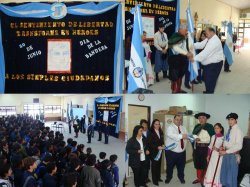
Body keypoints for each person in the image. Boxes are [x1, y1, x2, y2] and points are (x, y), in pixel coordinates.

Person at [192, 27, 224, 93]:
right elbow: (201, 45)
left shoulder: (215, 41)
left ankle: (209, 94)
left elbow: (205, 53)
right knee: (207, 79)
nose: (205, 35)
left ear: (212, 32)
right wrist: (191, 45)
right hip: (209, 64)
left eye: (206, 33)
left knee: (210, 80)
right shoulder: (209, 38)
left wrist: (193, 58)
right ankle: (208, 91)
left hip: (214, 65)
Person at [219, 113, 243, 187]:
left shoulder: (238, 130)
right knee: (225, 173)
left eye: (232, 119)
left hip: (232, 155)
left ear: (236, 120)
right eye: (229, 120)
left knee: (231, 175)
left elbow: (239, 146)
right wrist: (223, 147)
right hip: (226, 154)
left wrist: (225, 151)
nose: (230, 121)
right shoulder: (229, 129)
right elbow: (227, 141)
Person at [168, 27, 193, 93]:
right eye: (185, 30)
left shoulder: (185, 36)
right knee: (174, 76)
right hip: (174, 59)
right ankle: (174, 91)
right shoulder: (175, 36)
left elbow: (186, 47)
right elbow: (175, 48)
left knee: (180, 75)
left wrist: (190, 52)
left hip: (182, 58)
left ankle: (179, 89)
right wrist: (186, 53)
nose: (187, 31)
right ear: (180, 30)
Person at [192, 112, 215, 186]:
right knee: (197, 163)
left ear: (206, 119)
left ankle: (204, 179)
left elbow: (213, 138)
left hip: (205, 148)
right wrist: (195, 138)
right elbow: (193, 136)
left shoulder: (210, 127)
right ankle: (199, 178)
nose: (201, 119)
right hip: (197, 148)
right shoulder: (196, 126)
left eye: (203, 118)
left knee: (205, 164)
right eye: (199, 118)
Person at [165, 115, 188, 184]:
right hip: (171, 152)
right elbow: (172, 135)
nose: (178, 121)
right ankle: (168, 177)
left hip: (182, 152)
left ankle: (181, 178)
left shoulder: (183, 128)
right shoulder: (170, 128)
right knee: (170, 166)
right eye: (177, 119)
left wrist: (192, 138)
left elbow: (186, 136)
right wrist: (182, 136)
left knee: (181, 166)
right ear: (174, 120)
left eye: (180, 120)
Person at [204, 123, 224, 187]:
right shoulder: (213, 136)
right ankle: (209, 184)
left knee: (217, 170)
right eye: (215, 128)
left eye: (217, 128)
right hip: (212, 156)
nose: (216, 129)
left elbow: (223, 150)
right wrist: (208, 155)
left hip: (219, 157)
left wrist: (217, 149)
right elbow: (210, 147)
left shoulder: (223, 138)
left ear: (220, 129)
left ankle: (216, 184)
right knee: (211, 169)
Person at [147, 119, 165, 186]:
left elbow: (161, 139)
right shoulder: (150, 132)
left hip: (160, 151)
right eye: (156, 124)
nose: (157, 125)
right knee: (154, 166)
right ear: (153, 125)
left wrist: (163, 144)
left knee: (159, 165)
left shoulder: (160, 131)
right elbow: (149, 143)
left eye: (158, 124)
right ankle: (155, 180)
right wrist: (157, 147)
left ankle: (158, 177)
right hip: (154, 152)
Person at [140, 119, 151, 183]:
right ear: (141, 125)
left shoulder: (149, 132)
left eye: (146, 125)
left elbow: (151, 142)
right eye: (143, 125)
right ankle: (142, 179)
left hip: (148, 152)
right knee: (142, 166)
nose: (145, 126)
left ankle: (146, 178)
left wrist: (149, 150)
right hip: (142, 153)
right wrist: (144, 150)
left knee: (147, 166)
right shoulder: (139, 132)